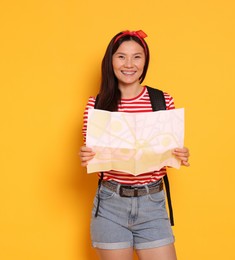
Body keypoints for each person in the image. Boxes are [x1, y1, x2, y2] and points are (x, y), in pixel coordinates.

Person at [79, 30, 190, 260]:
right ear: (110, 61)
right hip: (110, 204)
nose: (129, 64)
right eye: (121, 56)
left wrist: (181, 154)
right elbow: (95, 162)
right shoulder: (96, 105)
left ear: (145, 61)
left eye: (137, 57)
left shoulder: (162, 100)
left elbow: (169, 151)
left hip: (153, 203)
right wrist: (86, 156)